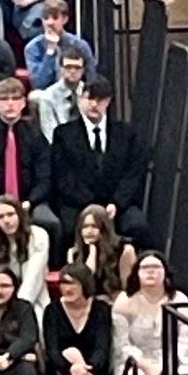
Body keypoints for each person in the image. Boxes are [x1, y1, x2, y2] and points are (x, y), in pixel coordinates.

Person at [52, 76, 150, 247]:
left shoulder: (126, 134)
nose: (94, 104)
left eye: (100, 100)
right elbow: (63, 177)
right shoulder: (63, 134)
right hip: (79, 203)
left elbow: (133, 174)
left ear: (108, 101)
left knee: (137, 226)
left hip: (117, 204)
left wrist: (116, 203)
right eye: (90, 98)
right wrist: (91, 206)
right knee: (67, 229)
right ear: (81, 99)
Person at [0, 77, 62, 258]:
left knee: (50, 222)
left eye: (15, 99)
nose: (10, 104)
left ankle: (49, 269)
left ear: (23, 103)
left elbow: (44, 179)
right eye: (4, 99)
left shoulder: (36, 136)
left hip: (31, 200)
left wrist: (29, 202)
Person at [43, 260, 110, 375]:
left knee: (71, 366)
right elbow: (52, 350)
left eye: (73, 283)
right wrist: (71, 369)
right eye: (64, 283)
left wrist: (85, 368)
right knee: (69, 358)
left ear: (85, 284)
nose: (67, 288)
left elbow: (102, 348)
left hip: (94, 369)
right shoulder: (53, 310)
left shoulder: (100, 309)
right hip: (60, 369)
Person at [0, 192, 49, 315]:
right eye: (1, 217)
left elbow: (34, 279)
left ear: (20, 215)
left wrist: (16, 310)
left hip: (32, 299)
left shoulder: (39, 236)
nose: (6, 220)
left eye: (10, 214)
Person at [23, 0, 95, 89]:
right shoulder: (32, 47)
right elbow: (39, 83)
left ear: (65, 19)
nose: (50, 22)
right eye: (46, 18)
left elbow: (91, 77)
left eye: (55, 18)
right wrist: (50, 52)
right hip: (46, 95)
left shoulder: (79, 45)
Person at [67, 202, 134, 301]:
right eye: (85, 227)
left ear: (104, 228)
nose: (89, 231)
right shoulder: (74, 253)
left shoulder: (124, 250)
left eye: (94, 226)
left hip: (115, 304)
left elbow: (128, 291)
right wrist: (92, 252)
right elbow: (82, 288)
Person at [32, 46, 85, 143]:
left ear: (83, 70)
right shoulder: (48, 97)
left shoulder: (88, 93)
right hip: (60, 149)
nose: (73, 71)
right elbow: (49, 134)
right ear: (61, 69)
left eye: (77, 67)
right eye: (68, 67)